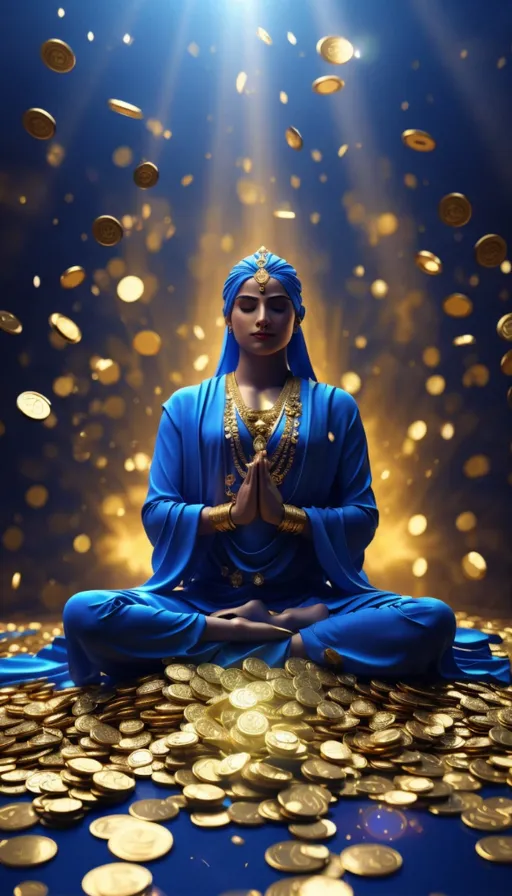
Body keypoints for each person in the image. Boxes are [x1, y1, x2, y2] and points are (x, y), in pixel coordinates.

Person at [0, 247, 509, 689]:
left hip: (314, 602)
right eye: (248, 305)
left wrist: (290, 517)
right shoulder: (185, 405)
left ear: (297, 316)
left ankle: (262, 635)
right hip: (205, 601)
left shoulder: (335, 407)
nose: (262, 317)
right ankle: (252, 636)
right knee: (85, 613)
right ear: (228, 315)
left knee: (432, 620)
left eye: (277, 305)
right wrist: (228, 516)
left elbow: (363, 516)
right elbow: (157, 513)